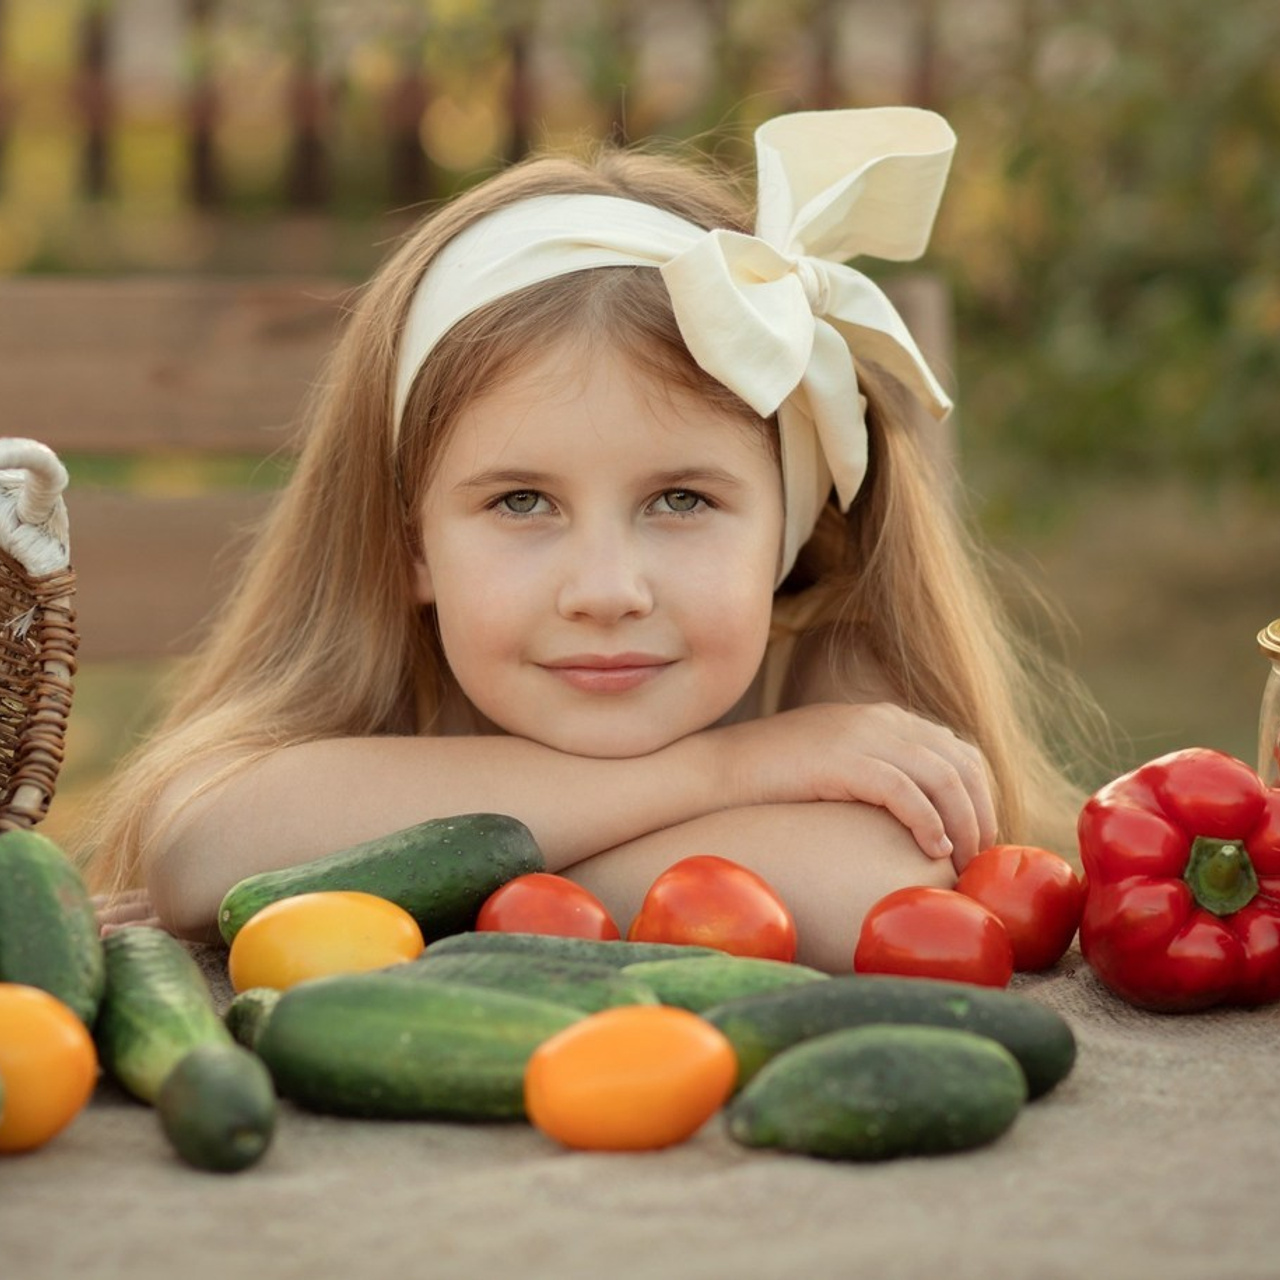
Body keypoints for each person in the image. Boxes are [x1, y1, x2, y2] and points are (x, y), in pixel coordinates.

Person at [87, 107, 1093, 972]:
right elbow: (197, 846)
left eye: (680, 501)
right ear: (410, 545)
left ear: (789, 533)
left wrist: (387, 879)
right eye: (522, 502)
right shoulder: (403, 682)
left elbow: (866, 885)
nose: (605, 590)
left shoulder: (823, 645)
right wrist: (725, 771)